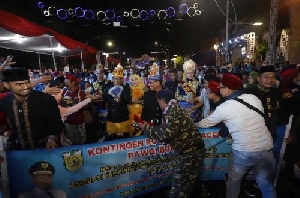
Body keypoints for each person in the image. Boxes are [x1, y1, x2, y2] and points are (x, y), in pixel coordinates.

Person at [197, 73, 276, 198]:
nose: (220, 90)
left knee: (233, 182)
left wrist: (194, 125)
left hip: (243, 151)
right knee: (266, 184)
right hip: (266, 148)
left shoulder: (225, 107)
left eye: (221, 87)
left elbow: (206, 123)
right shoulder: (253, 98)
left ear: (228, 89)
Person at [138, 89, 204, 198]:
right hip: (192, 151)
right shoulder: (174, 108)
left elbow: (166, 134)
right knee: (186, 185)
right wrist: (149, 127)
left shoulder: (171, 112)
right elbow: (167, 129)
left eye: (158, 101)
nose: (158, 104)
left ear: (163, 101)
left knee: (179, 187)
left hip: (191, 154)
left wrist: (146, 128)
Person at [0, 68, 64, 150]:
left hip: (45, 150)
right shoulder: (5, 103)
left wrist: (52, 138)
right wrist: (9, 143)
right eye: (19, 84)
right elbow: (15, 127)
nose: (26, 87)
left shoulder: (45, 99)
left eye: (27, 82)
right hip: (21, 153)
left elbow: (57, 123)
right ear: (6, 85)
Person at [105, 64, 131, 139]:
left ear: (122, 80)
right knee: (111, 137)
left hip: (122, 116)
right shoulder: (108, 88)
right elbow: (105, 99)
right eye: (115, 79)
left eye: (119, 79)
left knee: (123, 138)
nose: (117, 81)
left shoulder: (126, 88)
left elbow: (127, 100)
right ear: (112, 79)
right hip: (111, 117)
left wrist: (121, 100)